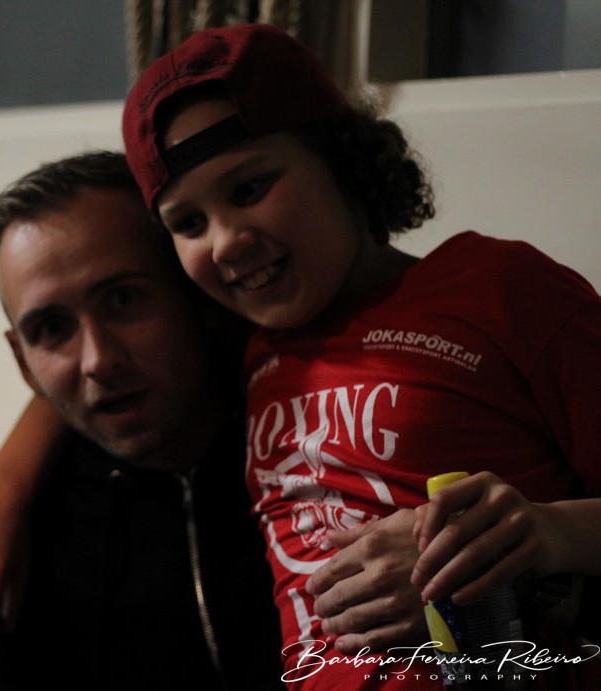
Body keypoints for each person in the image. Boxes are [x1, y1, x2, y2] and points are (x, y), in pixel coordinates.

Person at [120, 21, 601, 689]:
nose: (225, 242)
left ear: (342, 159)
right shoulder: (244, 351)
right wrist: (1, 491)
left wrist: (548, 537)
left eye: (250, 188)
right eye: (188, 223)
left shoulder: (501, 289)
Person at [0, 151, 285, 690]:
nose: (98, 360)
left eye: (122, 300)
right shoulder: (27, 536)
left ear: (194, 294)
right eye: (52, 329)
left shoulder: (325, 446)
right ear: (23, 363)